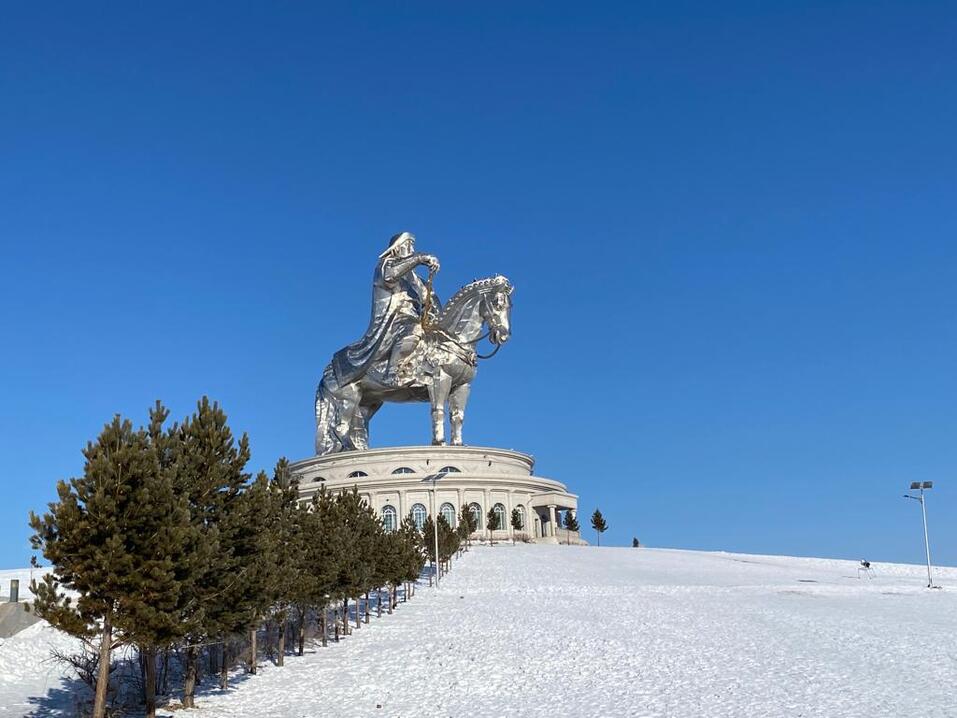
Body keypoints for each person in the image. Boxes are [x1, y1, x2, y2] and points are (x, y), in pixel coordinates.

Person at [331, 231, 441, 386]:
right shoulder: (385, 266)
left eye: (413, 245)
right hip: (393, 322)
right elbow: (389, 277)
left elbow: (429, 298)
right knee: (414, 329)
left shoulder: (414, 278)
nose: (411, 249)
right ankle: (392, 372)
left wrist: (439, 316)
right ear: (396, 248)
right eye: (407, 244)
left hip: (413, 319)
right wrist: (420, 258)